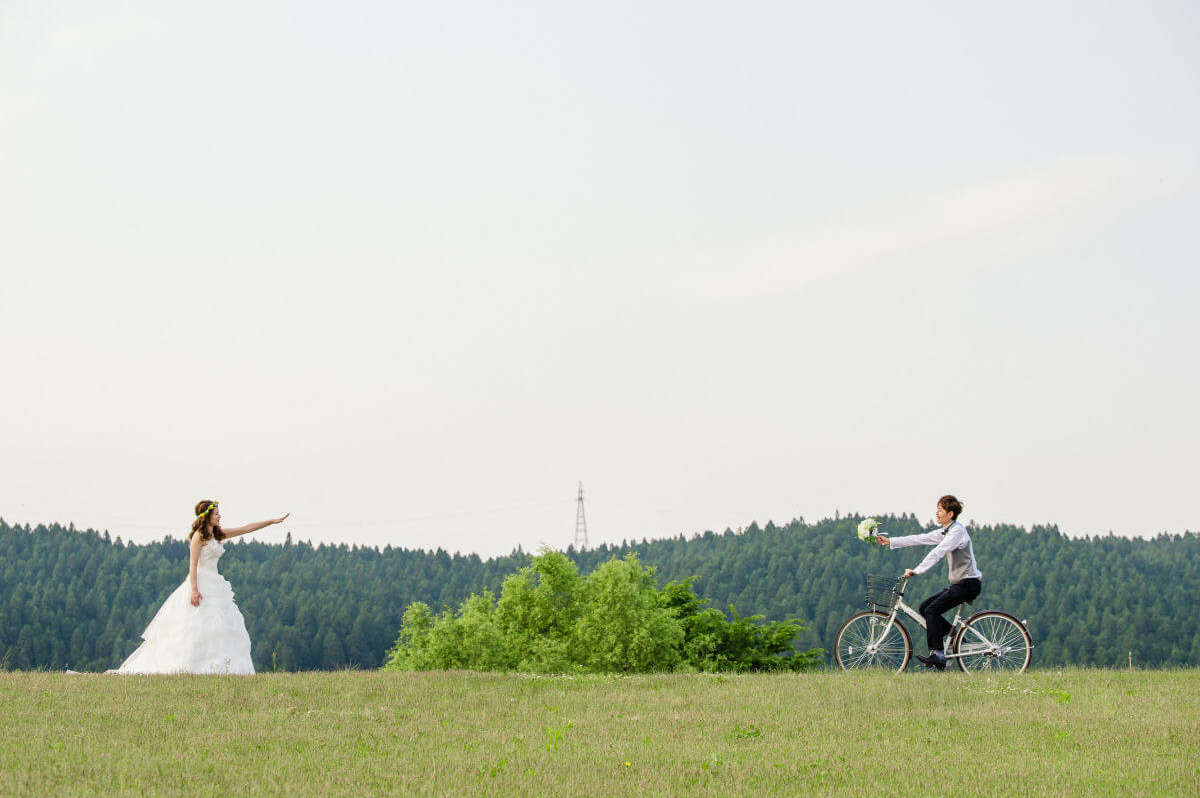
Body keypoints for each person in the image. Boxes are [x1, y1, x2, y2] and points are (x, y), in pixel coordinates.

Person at [108, 500, 289, 674]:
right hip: (201, 582)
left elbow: (245, 528)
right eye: (217, 514)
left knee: (221, 625)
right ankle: (191, 666)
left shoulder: (218, 535)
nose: (220, 517)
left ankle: (223, 667)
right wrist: (194, 589)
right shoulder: (199, 536)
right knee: (196, 625)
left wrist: (271, 522)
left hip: (216, 583)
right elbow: (193, 565)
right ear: (208, 516)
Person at [877, 495, 981, 670]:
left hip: (968, 584)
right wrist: (891, 541)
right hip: (961, 584)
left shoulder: (957, 533)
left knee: (932, 610)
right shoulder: (946, 531)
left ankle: (938, 654)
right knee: (925, 607)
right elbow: (921, 538)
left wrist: (917, 570)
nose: (937, 513)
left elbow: (938, 552)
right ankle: (955, 637)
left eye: (940, 510)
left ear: (950, 514)